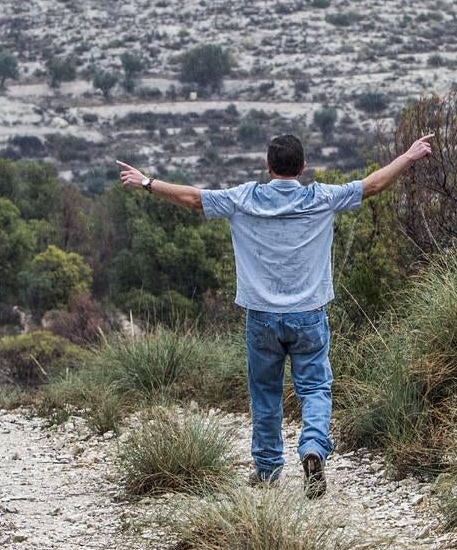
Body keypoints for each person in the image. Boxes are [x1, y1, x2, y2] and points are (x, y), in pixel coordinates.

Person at [116, 132, 434, 498]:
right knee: (315, 387)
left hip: (262, 317)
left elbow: (191, 198)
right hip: (309, 315)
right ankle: (313, 447)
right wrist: (409, 156)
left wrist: (146, 182)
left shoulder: (243, 199)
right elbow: (374, 185)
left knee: (264, 393)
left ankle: (267, 470)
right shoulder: (322, 197)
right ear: (303, 168)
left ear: (267, 167)